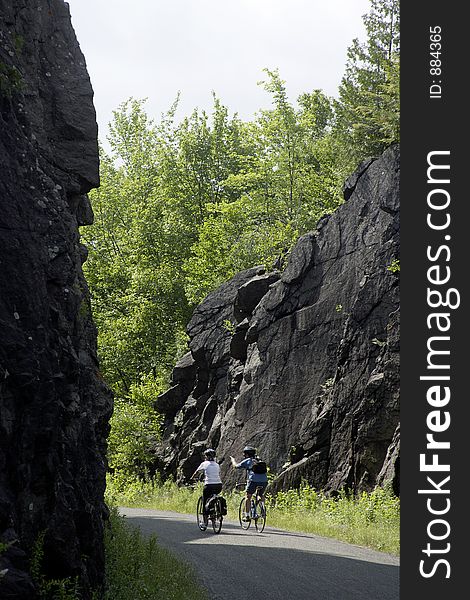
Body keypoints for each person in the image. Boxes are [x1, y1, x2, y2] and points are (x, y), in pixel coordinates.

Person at [230, 445, 268, 521]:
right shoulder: (259, 460)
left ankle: (247, 515)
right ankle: (262, 507)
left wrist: (232, 460)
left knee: (248, 496)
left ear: (247, 454)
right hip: (264, 481)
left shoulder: (248, 461)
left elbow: (236, 466)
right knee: (260, 495)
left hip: (253, 480)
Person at [191, 448, 223, 527]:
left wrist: (192, 478)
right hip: (219, 485)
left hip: (209, 485)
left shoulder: (204, 463)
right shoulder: (217, 464)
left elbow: (197, 472)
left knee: (205, 501)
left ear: (207, 456)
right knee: (214, 497)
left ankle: (205, 523)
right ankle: (217, 513)